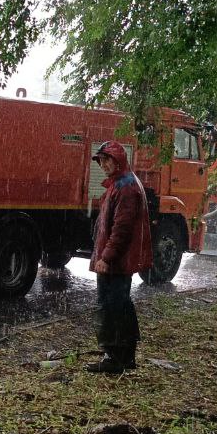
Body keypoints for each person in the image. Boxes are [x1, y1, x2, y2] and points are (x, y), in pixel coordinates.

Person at [88, 141, 153, 373]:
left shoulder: (125, 187)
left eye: (106, 160)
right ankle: (123, 356)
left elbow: (121, 230)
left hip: (116, 263)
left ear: (118, 161)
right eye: (100, 160)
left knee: (112, 307)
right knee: (119, 305)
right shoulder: (122, 183)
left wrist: (106, 257)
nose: (103, 164)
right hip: (118, 261)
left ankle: (115, 358)